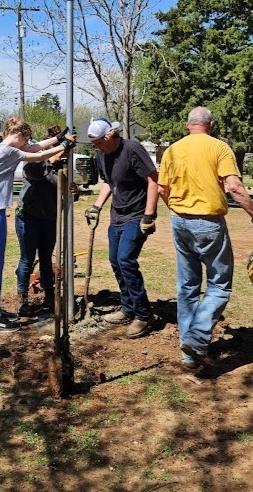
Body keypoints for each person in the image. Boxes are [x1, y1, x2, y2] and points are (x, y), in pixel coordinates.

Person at [157, 106, 253, 370]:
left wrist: (174, 208)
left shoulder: (172, 150)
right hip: (207, 223)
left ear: (188, 125)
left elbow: (162, 188)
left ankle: (188, 353)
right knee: (220, 285)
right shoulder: (219, 148)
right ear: (210, 125)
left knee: (187, 287)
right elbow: (233, 186)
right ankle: (197, 340)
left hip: (179, 221)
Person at [0, 117, 76, 334]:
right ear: (18, 136)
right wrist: (63, 145)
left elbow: (34, 147)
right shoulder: (8, 151)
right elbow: (38, 155)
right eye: (26, 139)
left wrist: (58, 138)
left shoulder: (0, 147)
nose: (27, 142)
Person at [85, 117, 159, 339]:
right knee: (115, 261)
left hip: (136, 215)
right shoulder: (102, 154)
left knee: (126, 260)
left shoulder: (132, 149)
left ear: (110, 136)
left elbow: (154, 180)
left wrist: (149, 215)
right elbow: (108, 182)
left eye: (99, 142)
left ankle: (144, 316)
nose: (96, 147)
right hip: (116, 215)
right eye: (94, 144)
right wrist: (97, 206)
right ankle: (128, 308)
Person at [14, 125, 77, 317]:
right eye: (62, 149)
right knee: (27, 258)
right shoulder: (35, 159)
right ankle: (22, 299)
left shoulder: (64, 169)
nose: (64, 154)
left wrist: (74, 192)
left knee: (47, 258)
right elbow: (33, 174)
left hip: (49, 218)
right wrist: (52, 158)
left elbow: (68, 194)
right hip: (28, 217)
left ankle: (50, 296)